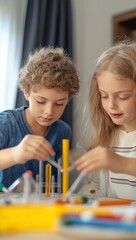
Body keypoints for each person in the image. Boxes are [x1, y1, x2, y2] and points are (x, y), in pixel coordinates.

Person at [75, 40, 136, 201]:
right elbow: (97, 185)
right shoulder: (107, 137)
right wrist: (89, 193)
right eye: (104, 95)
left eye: (123, 96)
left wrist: (122, 164)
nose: (111, 105)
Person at [0, 47, 80, 188]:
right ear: (26, 92)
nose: (49, 112)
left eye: (59, 103)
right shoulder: (6, 123)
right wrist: (14, 154)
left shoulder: (63, 131)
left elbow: (60, 180)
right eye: (41, 101)